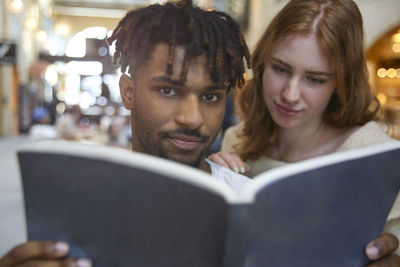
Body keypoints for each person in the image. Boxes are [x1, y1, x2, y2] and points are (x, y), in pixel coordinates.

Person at [0, 0, 398, 266]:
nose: (193, 117)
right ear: (128, 91)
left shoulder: (243, 196)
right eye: (169, 90)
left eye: (210, 96)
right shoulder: (241, 143)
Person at [207, 0, 400, 261]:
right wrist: (217, 178)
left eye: (315, 79)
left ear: (341, 83)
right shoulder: (238, 140)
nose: (290, 94)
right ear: (262, 63)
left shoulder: (372, 153)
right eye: (281, 69)